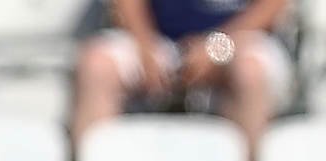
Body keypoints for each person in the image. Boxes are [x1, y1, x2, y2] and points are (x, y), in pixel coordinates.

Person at [72, 0, 292, 153]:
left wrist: (216, 46)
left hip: (236, 39)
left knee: (250, 72)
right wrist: (144, 46)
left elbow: (273, 6)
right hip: (159, 41)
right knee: (97, 65)